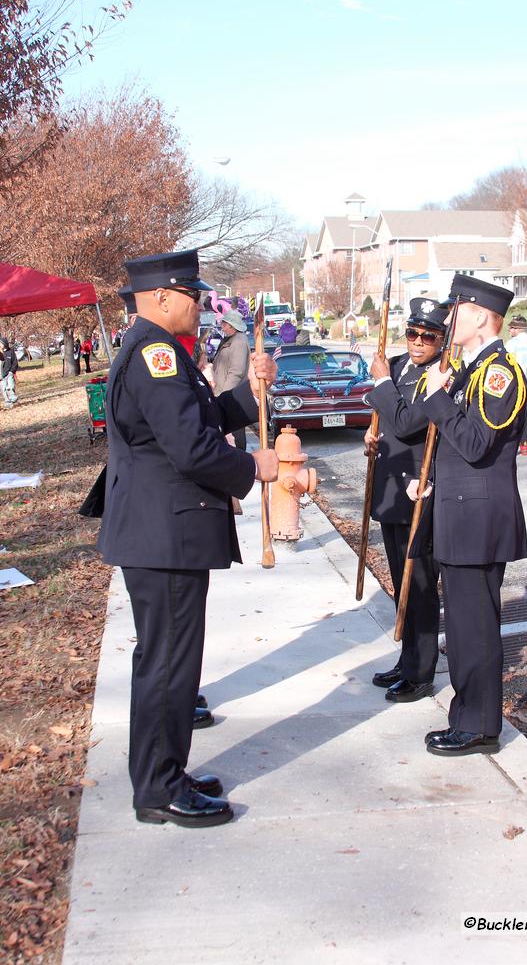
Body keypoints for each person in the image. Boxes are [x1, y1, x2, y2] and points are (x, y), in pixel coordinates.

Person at [97, 248, 278, 828]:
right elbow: (192, 449)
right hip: (163, 535)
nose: (201, 308)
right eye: (194, 297)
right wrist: (256, 470)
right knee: (170, 663)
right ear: (163, 297)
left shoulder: (159, 352)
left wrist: (250, 395)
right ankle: (157, 788)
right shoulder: (156, 354)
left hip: (161, 532)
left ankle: (164, 770)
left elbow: (195, 421)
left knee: (169, 660)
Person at [418, 274, 527, 757]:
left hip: (478, 521)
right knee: (462, 628)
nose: (448, 318)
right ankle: (467, 717)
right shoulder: (470, 369)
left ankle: (481, 725)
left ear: (483, 316)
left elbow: (478, 444)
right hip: (460, 517)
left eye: (456, 310)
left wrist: (440, 399)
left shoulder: (499, 372)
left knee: (475, 627)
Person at [364, 298, 448, 702]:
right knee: (401, 583)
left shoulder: (442, 376)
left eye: (428, 336)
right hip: (391, 490)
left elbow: (408, 422)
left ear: (442, 340)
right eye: (412, 333)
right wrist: (370, 433)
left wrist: (381, 384)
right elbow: (383, 419)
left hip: (420, 491)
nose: (417, 342)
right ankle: (407, 657)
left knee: (420, 585)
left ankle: (421, 672)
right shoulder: (397, 365)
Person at [211, 309, 251, 450]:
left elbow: (237, 371)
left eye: (224, 323)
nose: (222, 325)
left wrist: (225, 395)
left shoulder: (238, 341)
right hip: (228, 393)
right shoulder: (231, 339)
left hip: (232, 395)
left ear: (231, 325)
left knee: (236, 433)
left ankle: (240, 462)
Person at [505, 314, 527, 455]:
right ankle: (524, 445)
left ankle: (510, 446)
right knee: (526, 416)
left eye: (511, 328)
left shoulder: (510, 344)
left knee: (511, 416)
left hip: (514, 386)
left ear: (517, 329)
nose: (509, 330)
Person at [0, 337, 19, 408]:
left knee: (10, 385)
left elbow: (15, 363)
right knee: (3, 388)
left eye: (1, 343)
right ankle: (7, 402)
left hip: (9, 373)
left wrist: (11, 371)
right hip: (2, 375)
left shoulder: (10, 351)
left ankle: (12, 397)